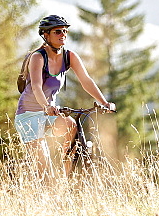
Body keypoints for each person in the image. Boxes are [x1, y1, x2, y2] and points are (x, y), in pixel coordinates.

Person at [15, 14, 115, 175]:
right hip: (29, 115)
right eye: (58, 32)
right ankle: (44, 182)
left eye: (65, 31)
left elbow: (86, 80)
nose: (63, 35)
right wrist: (46, 106)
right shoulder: (38, 57)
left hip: (50, 113)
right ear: (46, 35)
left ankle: (65, 175)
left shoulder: (69, 56)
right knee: (44, 167)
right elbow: (36, 86)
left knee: (71, 126)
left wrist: (104, 102)